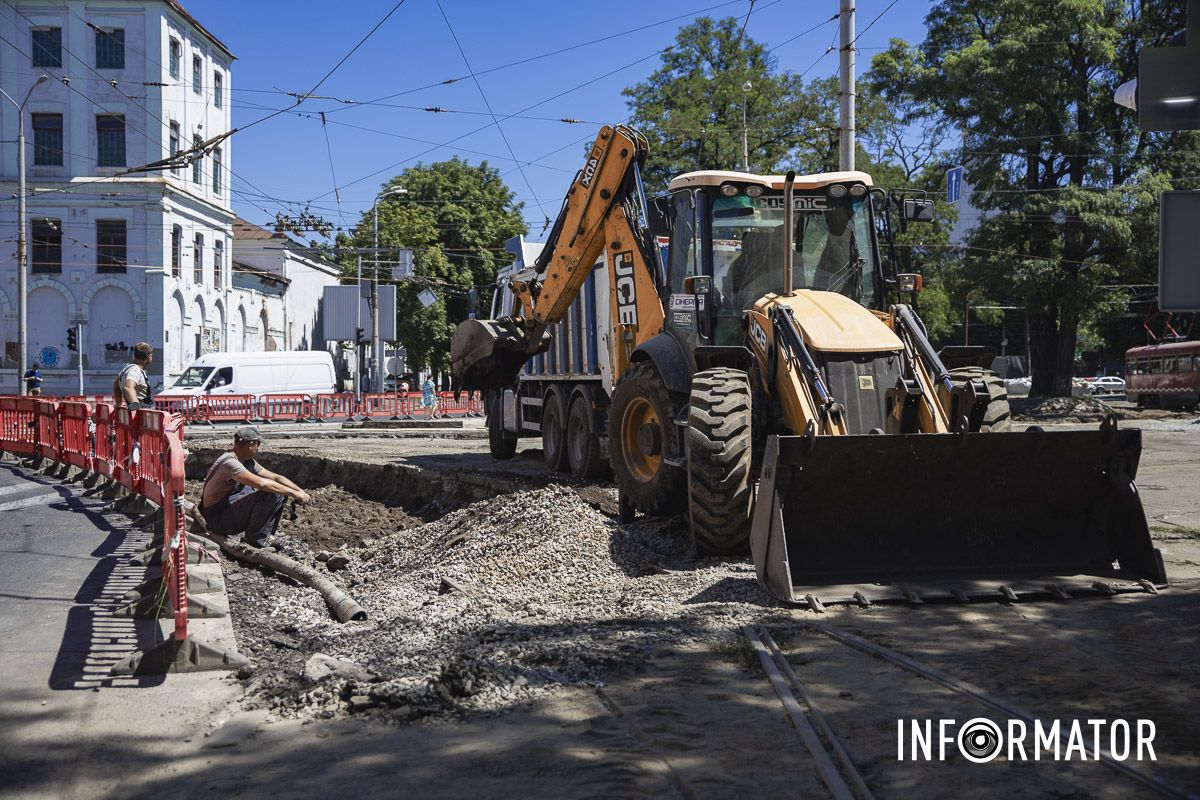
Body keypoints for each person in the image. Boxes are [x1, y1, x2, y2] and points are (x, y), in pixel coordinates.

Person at [199, 426, 311, 548]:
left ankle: (262, 536)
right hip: (215, 520)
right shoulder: (230, 463)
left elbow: (276, 478)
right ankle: (254, 542)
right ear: (251, 444)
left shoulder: (246, 462)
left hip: (224, 512)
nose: (258, 449)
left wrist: (299, 491)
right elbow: (261, 484)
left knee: (278, 489)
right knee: (272, 492)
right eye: (258, 445)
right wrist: (293, 494)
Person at [113, 342, 154, 410]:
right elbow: (128, 387)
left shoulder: (127, 368)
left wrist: (118, 403)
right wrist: (135, 405)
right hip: (142, 416)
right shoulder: (135, 370)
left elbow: (116, 385)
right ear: (149, 356)